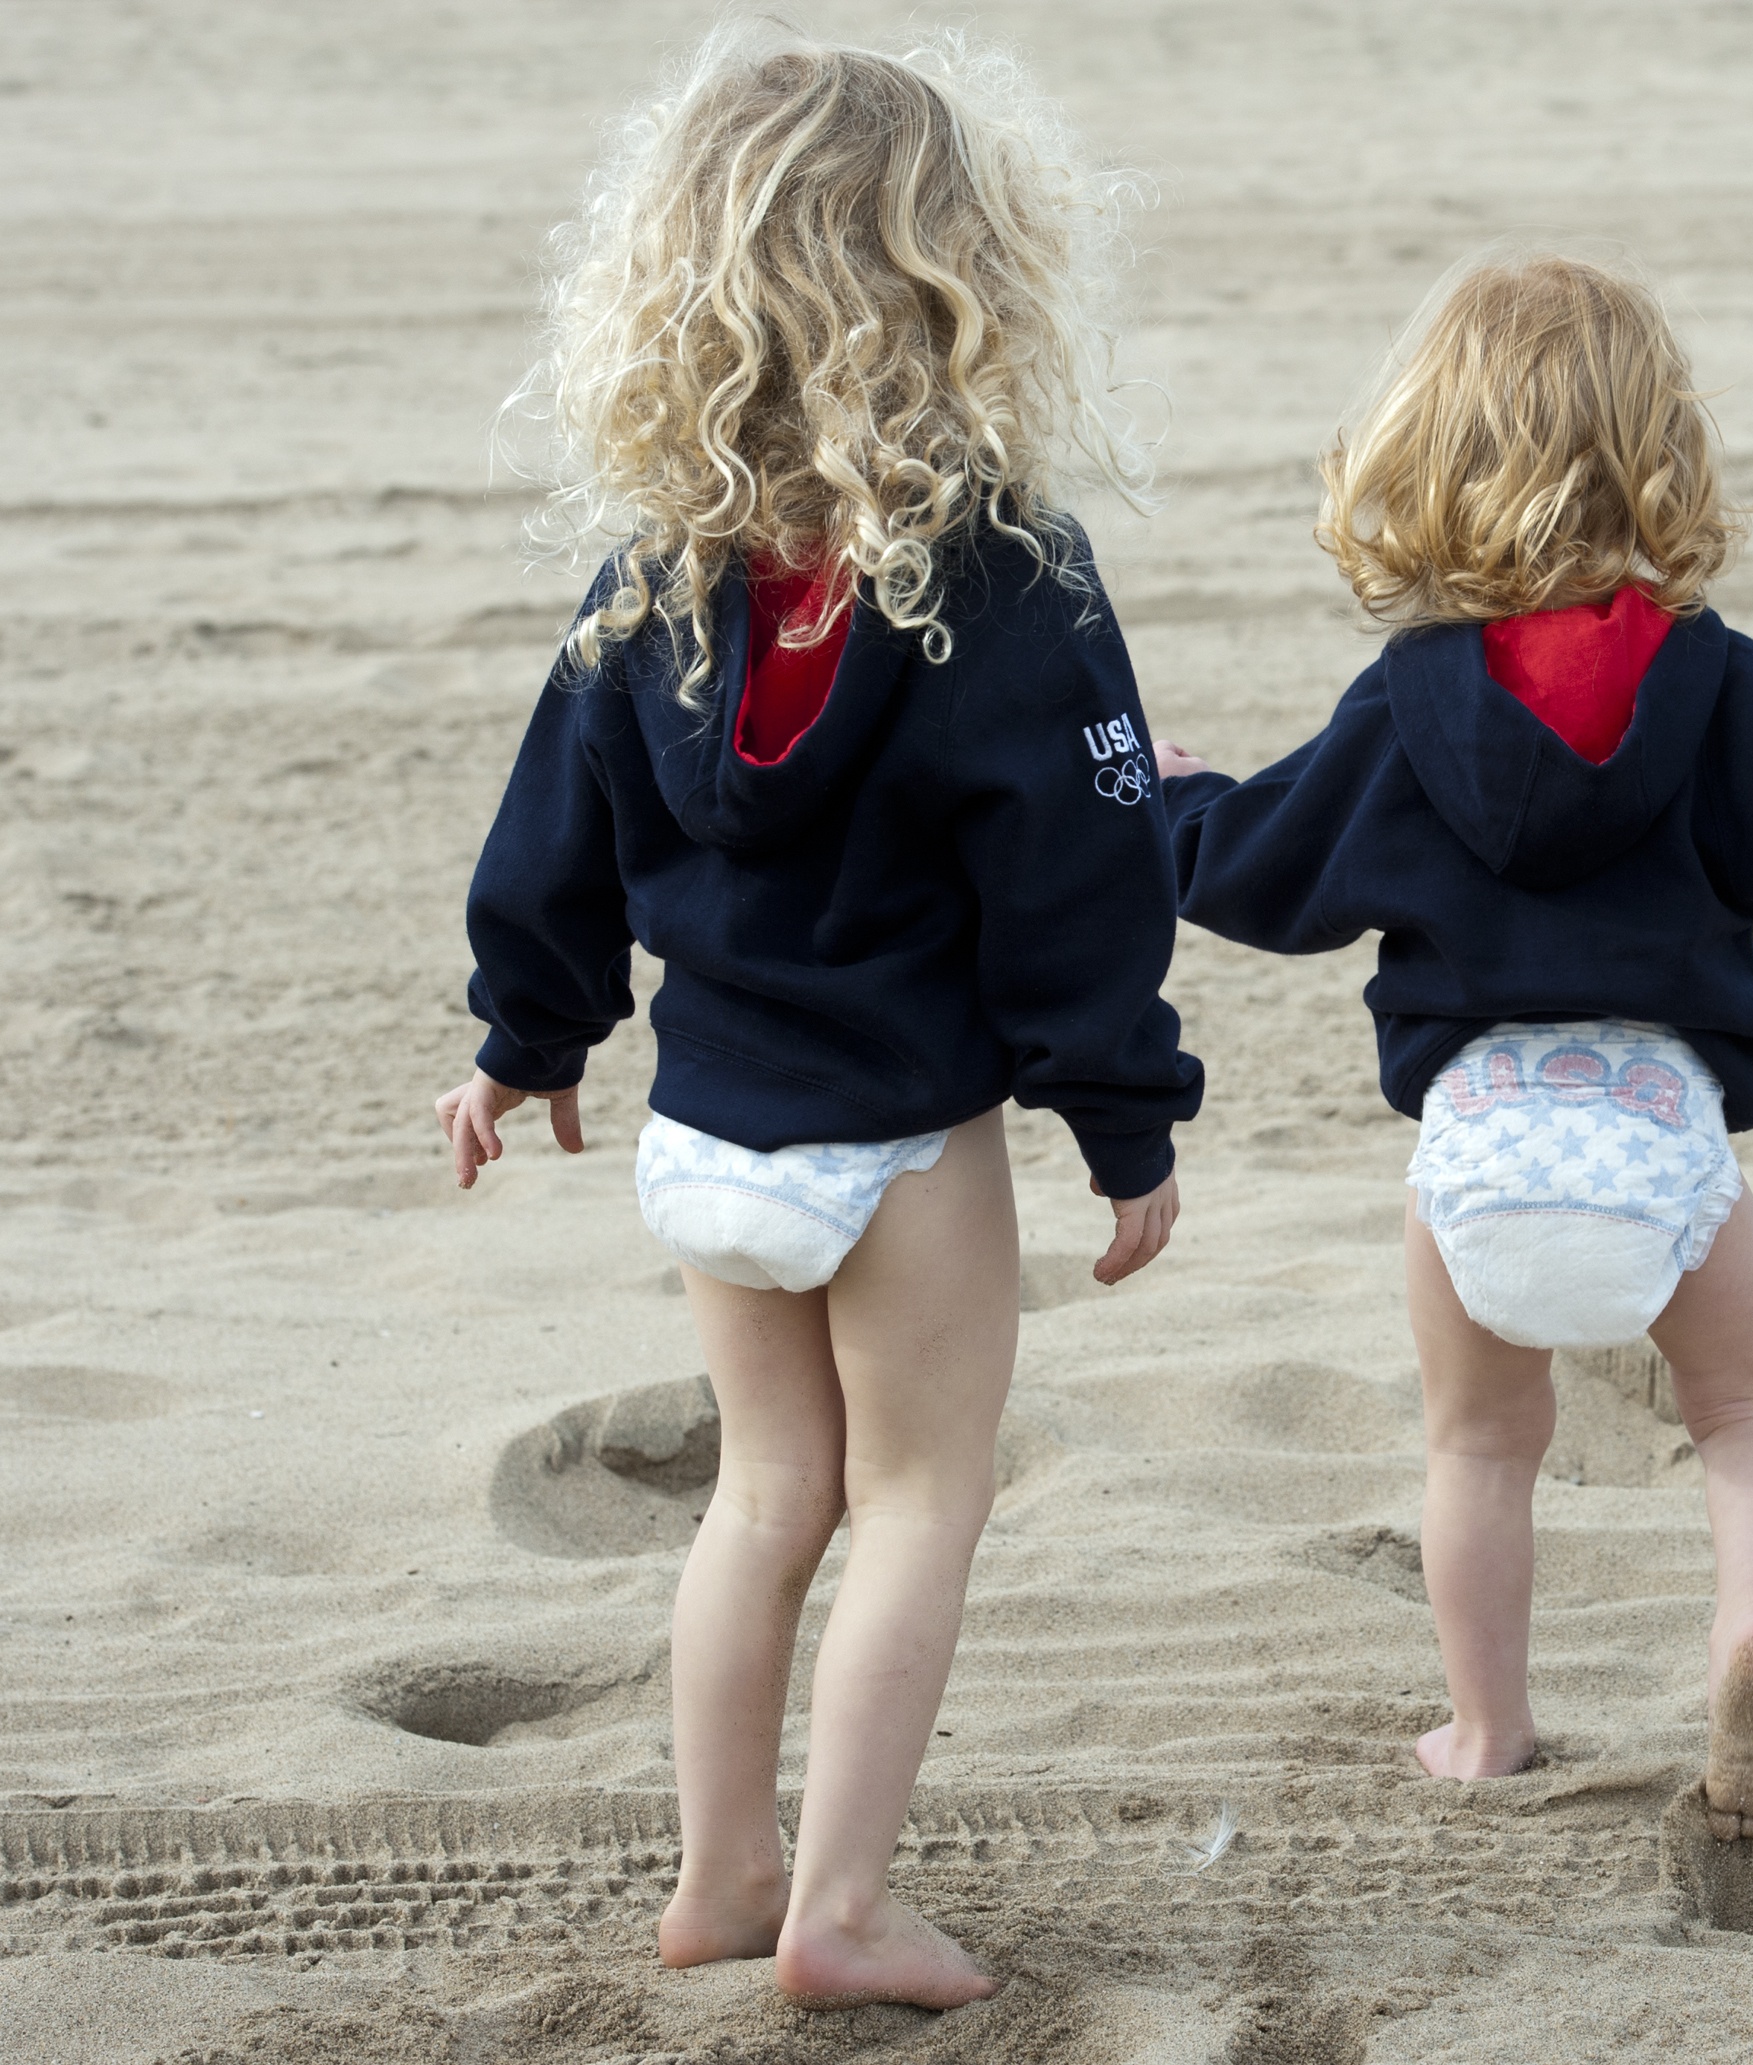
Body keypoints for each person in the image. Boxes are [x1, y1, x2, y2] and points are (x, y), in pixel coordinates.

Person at [432, 27, 1198, 2007]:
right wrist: (1127, 1121)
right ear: (966, 281)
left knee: (767, 1499)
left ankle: (720, 1875)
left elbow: (551, 844)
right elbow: (1081, 893)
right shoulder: (1012, 577)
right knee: (922, 1493)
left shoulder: (650, 578)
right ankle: (841, 1904)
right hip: (902, 1139)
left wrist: (527, 1038)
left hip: (710, 1133)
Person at [1155, 252, 1753, 1842]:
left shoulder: (1405, 704)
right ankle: (1748, 1632)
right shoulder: (1716, 682)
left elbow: (1269, 867)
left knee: (1478, 1444)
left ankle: (1487, 1727)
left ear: (1424, 455)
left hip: (1478, 1144)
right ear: (1662, 451)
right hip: (1660, 1128)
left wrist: (1171, 800)